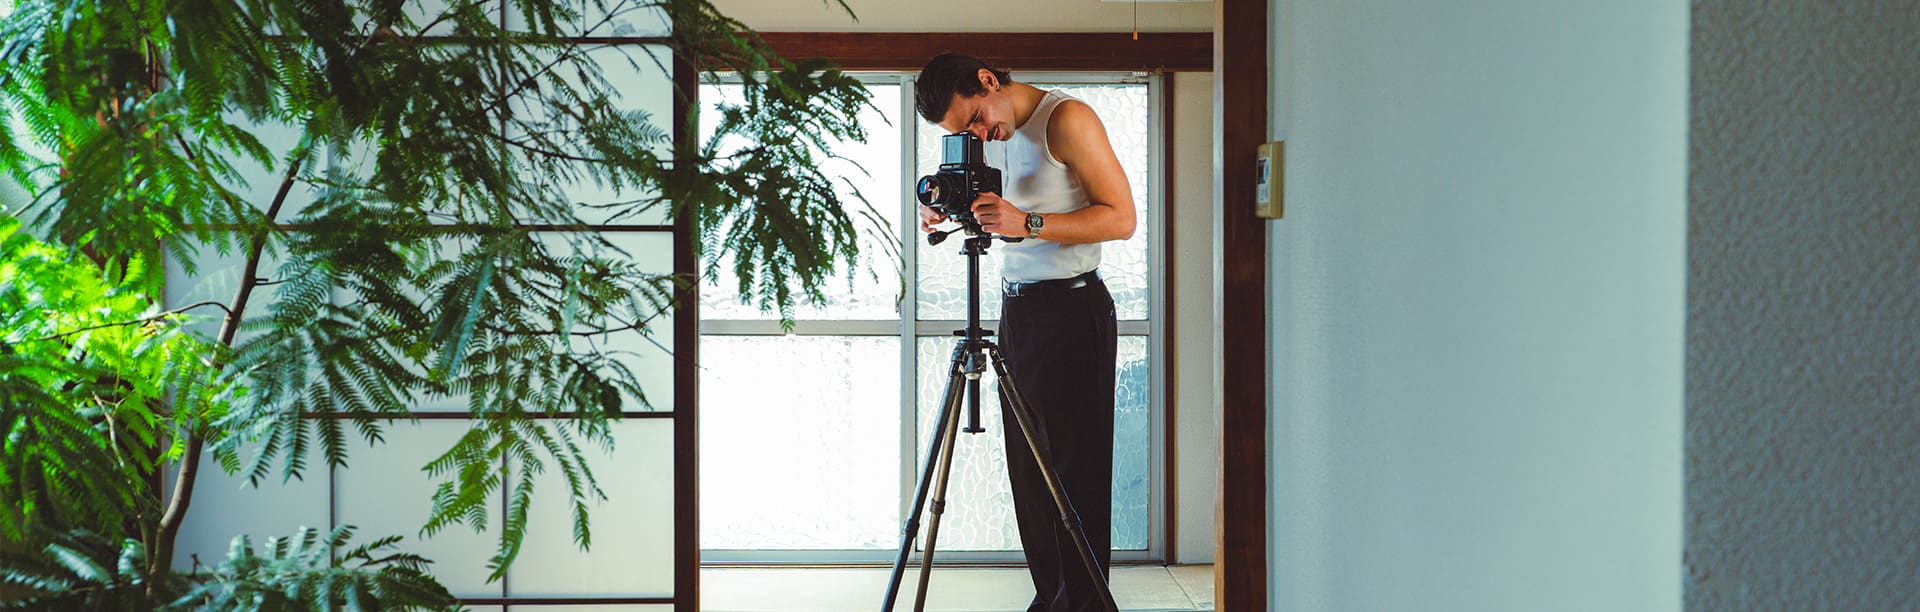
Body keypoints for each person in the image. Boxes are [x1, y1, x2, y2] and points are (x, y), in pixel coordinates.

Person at [914, 53, 1135, 612]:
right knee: (1031, 477)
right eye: (963, 132)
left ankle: (1084, 604)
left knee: (1074, 476)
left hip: (1073, 309)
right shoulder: (988, 133)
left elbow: (1122, 217)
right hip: (1018, 313)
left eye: (974, 120)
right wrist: (949, 210)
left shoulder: (1066, 120)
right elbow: (997, 205)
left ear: (988, 80)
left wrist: (1028, 223)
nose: (978, 136)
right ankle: (1052, 598)